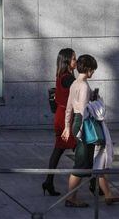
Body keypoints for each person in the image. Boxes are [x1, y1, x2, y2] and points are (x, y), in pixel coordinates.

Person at [62, 54, 119, 207]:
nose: (93, 72)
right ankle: (71, 198)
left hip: (77, 123)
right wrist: (96, 102)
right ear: (87, 69)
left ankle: (102, 193)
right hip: (85, 125)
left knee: (84, 162)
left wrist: (68, 126)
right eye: (93, 69)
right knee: (81, 164)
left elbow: (69, 108)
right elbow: (84, 110)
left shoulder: (74, 84)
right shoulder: (84, 86)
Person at [42, 48, 77, 196]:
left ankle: (48, 182)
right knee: (83, 149)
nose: (76, 61)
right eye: (74, 58)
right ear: (67, 60)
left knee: (58, 150)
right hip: (66, 118)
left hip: (60, 115)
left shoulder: (61, 75)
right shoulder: (68, 78)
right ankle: (93, 184)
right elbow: (79, 94)